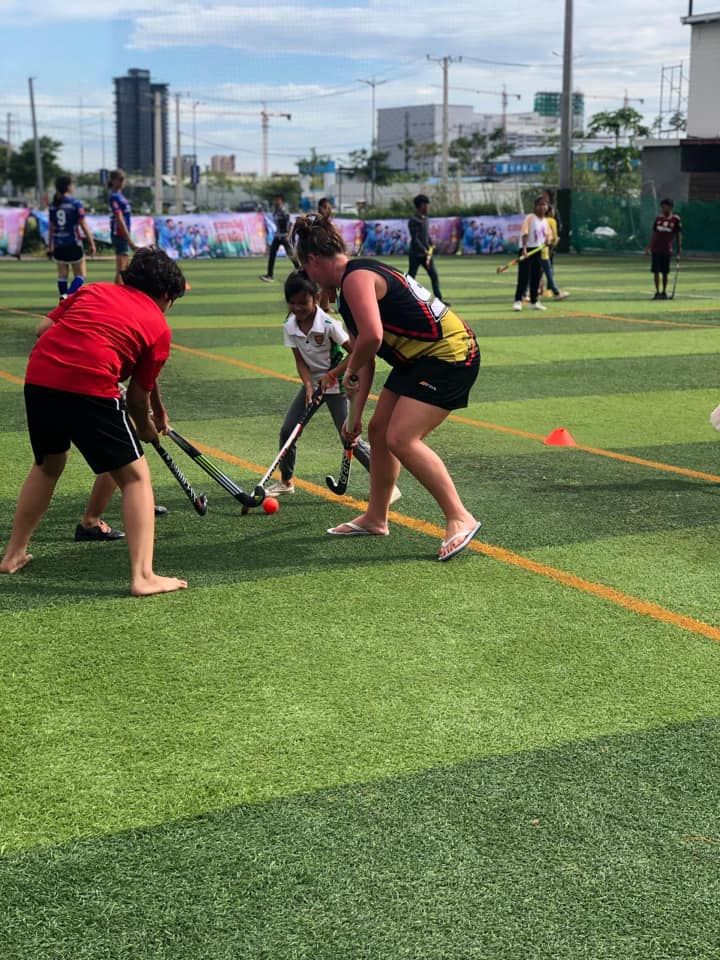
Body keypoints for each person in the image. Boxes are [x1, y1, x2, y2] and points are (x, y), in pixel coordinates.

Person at [0, 247, 188, 597]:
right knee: (135, 478)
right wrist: (146, 429)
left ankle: (12, 555)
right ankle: (143, 576)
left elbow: (44, 328)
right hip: (89, 385)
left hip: (40, 377)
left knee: (47, 465)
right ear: (165, 295)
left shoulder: (93, 290)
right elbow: (136, 398)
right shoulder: (159, 326)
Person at [293, 214, 480, 562]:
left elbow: (373, 339)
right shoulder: (349, 285)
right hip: (417, 359)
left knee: (401, 438)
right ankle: (376, 518)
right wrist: (355, 417)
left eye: (305, 269)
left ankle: (459, 516)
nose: (308, 278)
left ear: (315, 261)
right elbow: (368, 356)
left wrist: (340, 371)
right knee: (379, 431)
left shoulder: (356, 278)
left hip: (450, 355)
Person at [264, 271, 398, 501]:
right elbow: (299, 360)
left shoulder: (328, 324)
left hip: (337, 387)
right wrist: (307, 385)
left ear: (315, 298)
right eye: (292, 303)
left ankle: (386, 484)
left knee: (349, 437)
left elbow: (356, 353)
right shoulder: (289, 326)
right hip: (314, 385)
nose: (297, 308)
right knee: (288, 431)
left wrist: (333, 374)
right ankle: (286, 481)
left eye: (303, 303)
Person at [47, 175, 96, 302]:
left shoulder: (53, 205)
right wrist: (91, 242)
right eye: (72, 184)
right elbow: (83, 224)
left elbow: (51, 227)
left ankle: (63, 300)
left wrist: (50, 246)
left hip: (58, 244)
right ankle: (67, 297)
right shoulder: (75, 203)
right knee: (81, 275)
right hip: (73, 243)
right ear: (68, 186)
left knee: (62, 275)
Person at [408, 194, 448, 304]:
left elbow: (425, 235)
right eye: (426, 205)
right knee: (411, 277)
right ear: (421, 206)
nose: (428, 207)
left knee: (434, 275)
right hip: (416, 254)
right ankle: (407, 298)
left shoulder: (426, 219)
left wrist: (431, 243)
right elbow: (415, 239)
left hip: (427, 255)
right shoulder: (413, 220)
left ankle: (439, 300)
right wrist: (423, 250)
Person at [513, 196, 549, 312]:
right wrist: (524, 248)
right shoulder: (530, 218)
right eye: (540, 205)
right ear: (535, 206)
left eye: (544, 205)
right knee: (523, 277)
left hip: (538, 250)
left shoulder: (545, 221)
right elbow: (525, 233)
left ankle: (534, 301)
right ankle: (518, 301)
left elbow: (547, 236)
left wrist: (548, 241)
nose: (542, 207)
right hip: (527, 250)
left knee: (536, 277)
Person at [644, 198, 682, 300]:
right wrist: (649, 247)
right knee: (655, 271)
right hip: (656, 249)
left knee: (665, 272)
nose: (663, 208)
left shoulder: (675, 219)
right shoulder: (658, 219)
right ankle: (657, 292)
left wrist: (679, 250)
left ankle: (664, 292)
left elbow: (678, 235)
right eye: (662, 206)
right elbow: (654, 234)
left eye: (664, 206)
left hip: (667, 250)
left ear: (670, 207)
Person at [259, 194, 298, 282]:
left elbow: (291, 223)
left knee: (291, 255)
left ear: (281, 201)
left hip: (284, 237)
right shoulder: (275, 211)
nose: (275, 202)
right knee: (272, 255)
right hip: (277, 236)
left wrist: (289, 236)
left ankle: (301, 271)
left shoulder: (284, 211)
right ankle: (270, 276)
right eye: (275, 200)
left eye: (277, 200)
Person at [108, 169, 136, 284]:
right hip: (119, 234)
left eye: (123, 179)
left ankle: (120, 295)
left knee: (124, 268)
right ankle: (117, 297)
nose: (123, 182)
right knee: (121, 269)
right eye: (120, 179)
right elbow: (119, 218)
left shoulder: (120, 196)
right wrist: (129, 239)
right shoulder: (114, 196)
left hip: (123, 233)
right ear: (113, 181)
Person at [539, 204, 568, 301]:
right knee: (548, 272)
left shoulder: (539, 220)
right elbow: (554, 238)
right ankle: (556, 293)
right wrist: (556, 241)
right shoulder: (551, 221)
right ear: (550, 212)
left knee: (538, 271)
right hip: (544, 251)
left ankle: (531, 292)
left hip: (536, 249)